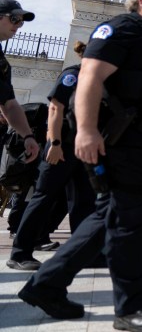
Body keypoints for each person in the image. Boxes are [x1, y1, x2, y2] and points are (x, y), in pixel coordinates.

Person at [19, 0, 142, 332]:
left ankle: (46, 286)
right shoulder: (119, 30)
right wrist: (85, 130)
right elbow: (90, 79)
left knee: (110, 216)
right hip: (115, 141)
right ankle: (132, 308)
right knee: (127, 222)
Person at [8, 41, 95, 271]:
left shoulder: (96, 80)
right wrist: (54, 143)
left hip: (81, 150)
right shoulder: (73, 75)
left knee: (83, 202)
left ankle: (83, 252)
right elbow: (56, 108)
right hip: (61, 146)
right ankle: (20, 253)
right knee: (43, 197)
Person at [0, 0, 42, 167]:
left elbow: (9, 104)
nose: (18, 25)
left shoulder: (1, 62)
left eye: (21, 22)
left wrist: (27, 136)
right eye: (14, 19)